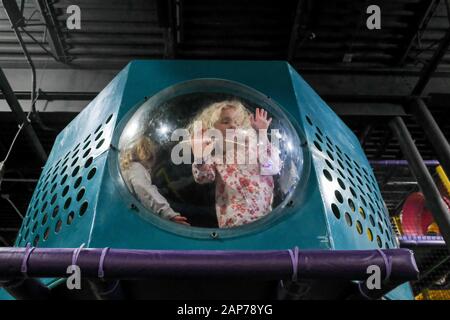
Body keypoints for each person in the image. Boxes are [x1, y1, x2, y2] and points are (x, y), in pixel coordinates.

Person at [189, 100, 281, 228]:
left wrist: (262, 134)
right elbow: (203, 177)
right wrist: (200, 156)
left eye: (237, 122)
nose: (233, 126)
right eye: (225, 122)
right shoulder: (216, 156)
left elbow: (272, 168)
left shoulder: (254, 146)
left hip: (264, 218)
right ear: (211, 129)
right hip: (234, 221)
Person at [120, 136, 190, 225]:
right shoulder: (136, 168)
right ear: (147, 154)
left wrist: (165, 190)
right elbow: (143, 189)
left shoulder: (126, 169)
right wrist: (168, 214)